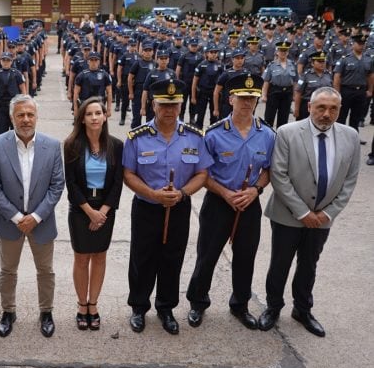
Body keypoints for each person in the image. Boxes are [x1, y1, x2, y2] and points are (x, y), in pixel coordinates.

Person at [258, 87, 360, 337]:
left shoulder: (350, 136)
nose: (326, 114)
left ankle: (302, 309)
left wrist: (328, 214)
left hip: (323, 218)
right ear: (309, 107)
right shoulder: (287, 132)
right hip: (288, 215)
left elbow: (350, 180)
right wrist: (303, 212)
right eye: (321, 107)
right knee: (280, 263)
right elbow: (279, 175)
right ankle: (273, 307)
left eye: (333, 108)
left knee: (309, 265)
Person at [122, 79, 212, 335]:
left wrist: (183, 193)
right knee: (142, 258)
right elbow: (128, 173)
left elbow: (202, 173)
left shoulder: (195, 137)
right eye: (164, 104)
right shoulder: (137, 138)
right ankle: (139, 307)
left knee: (173, 258)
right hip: (147, 208)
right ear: (153, 105)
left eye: (174, 104)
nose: (169, 109)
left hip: (178, 207)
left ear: (181, 104)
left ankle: (166, 307)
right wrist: (152, 193)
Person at [186, 74, 275, 329]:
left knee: (245, 256)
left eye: (252, 98)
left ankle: (240, 305)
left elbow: (268, 170)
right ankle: (198, 302)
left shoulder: (267, 134)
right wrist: (225, 193)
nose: (247, 103)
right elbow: (201, 174)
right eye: (243, 98)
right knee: (208, 255)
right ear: (231, 99)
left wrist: (255, 190)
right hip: (218, 202)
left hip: (249, 203)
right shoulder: (213, 134)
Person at [0, 94, 65, 338]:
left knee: (46, 271)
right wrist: (17, 217)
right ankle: (8, 311)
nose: (26, 119)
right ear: (12, 117)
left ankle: (46, 312)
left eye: (30, 114)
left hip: (42, 222)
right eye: (20, 115)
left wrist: (37, 216)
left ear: (36, 116)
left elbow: (57, 185)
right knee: (8, 270)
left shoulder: (51, 146)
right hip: (11, 223)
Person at [63, 97, 123, 330]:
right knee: (81, 257)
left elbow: (118, 183)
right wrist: (90, 212)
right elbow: (71, 184)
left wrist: (103, 212)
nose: (95, 117)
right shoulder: (72, 145)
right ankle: (81, 305)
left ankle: (93, 304)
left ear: (105, 115)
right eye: (89, 114)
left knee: (99, 256)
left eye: (98, 113)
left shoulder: (116, 145)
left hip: (106, 208)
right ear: (82, 118)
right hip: (81, 208)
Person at [261, 42, 298, 128]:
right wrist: (264, 95)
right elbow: (266, 81)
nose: (283, 53)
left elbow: (295, 81)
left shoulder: (292, 65)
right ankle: (268, 137)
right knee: (269, 117)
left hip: (287, 93)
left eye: (285, 51)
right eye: (281, 51)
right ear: (277, 52)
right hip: (274, 92)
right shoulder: (272, 65)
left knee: (284, 118)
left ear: (288, 52)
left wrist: (295, 95)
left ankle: (281, 138)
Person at [0, 52, 26, 135]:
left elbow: (23, 90)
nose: (6, 62)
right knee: (1, 133)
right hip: (1, 106)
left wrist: (24, 105)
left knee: (16, 132)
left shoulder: (17, 73)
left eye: (8, 60)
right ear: (0, 61)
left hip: (14, 105)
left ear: (11, 61)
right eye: (3, 60)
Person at [294, 51, 332, 121]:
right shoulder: (305, 76)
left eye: (323, 61)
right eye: (319, 62)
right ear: (312, 63)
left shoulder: (329, 75)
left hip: (324, 106)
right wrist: (296, 109)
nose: (322, 64)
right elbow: (298, 92)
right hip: (308, 106)